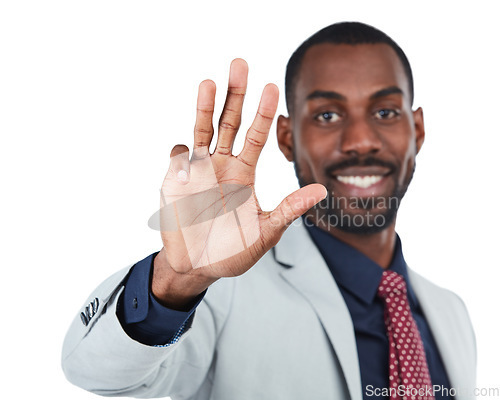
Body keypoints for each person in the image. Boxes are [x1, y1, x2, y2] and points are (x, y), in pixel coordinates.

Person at [62, 22, 476, 400]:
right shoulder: (221, 290)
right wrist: (177, 281)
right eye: (327, 115)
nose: (361, 140)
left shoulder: (450, 312)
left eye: (385, 112)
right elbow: (98, 372)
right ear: (287, 138)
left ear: (416, 129)